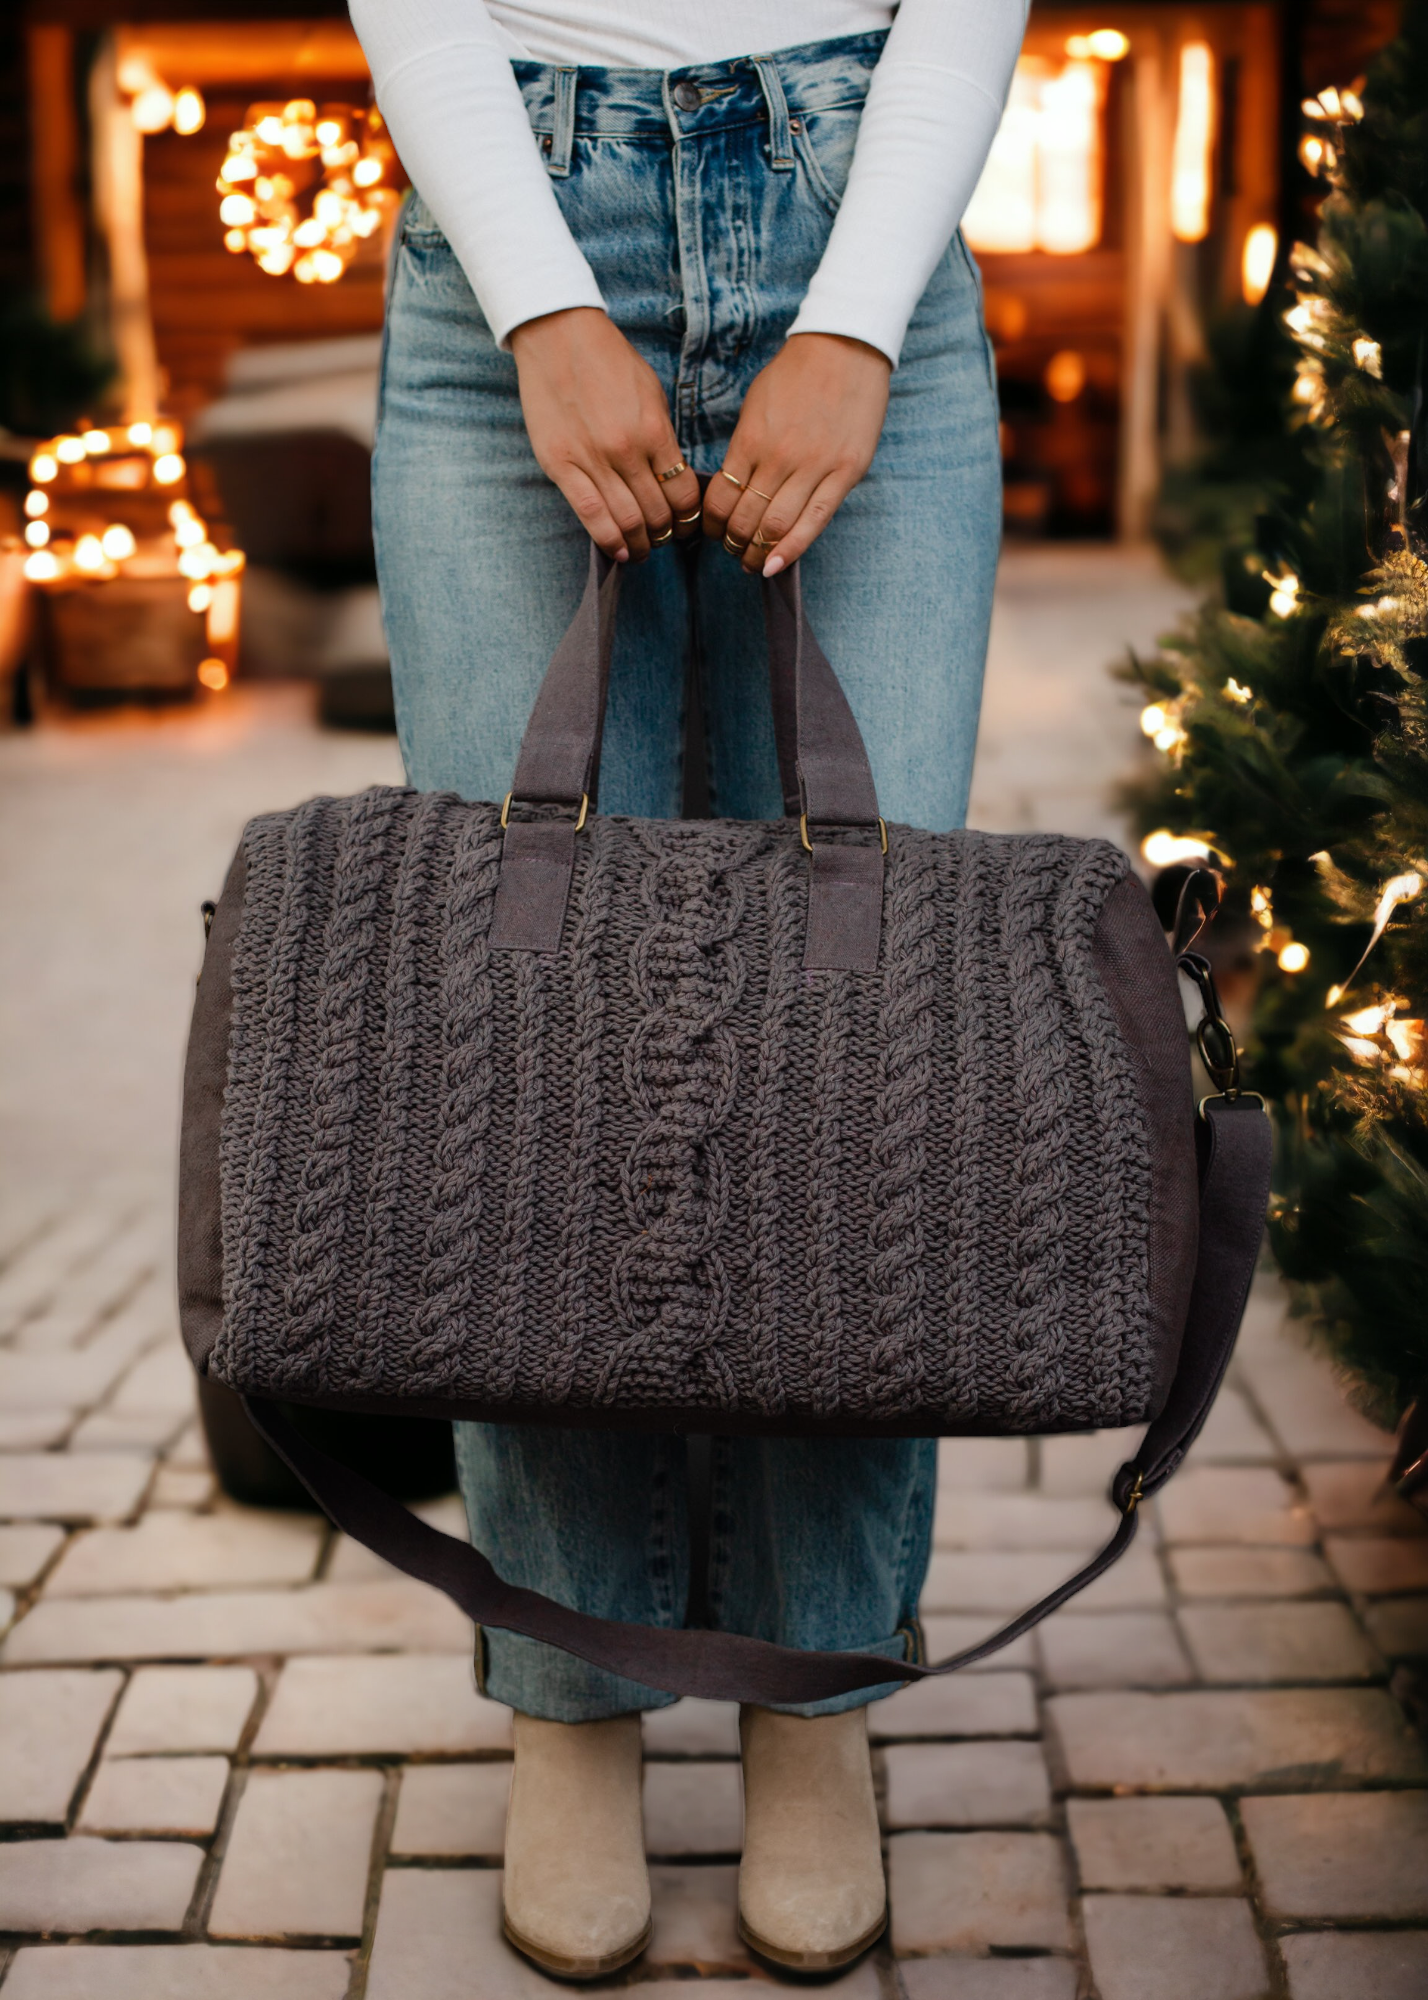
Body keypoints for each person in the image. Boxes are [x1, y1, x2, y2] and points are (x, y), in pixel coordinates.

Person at [349, 0, 1026, 1979]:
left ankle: (815, 1692)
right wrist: (546, 306)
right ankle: (570, 1689)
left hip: (857, 204)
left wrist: (861, 315)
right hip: (512, 242)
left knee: (857, 1042)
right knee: (531, 1046)